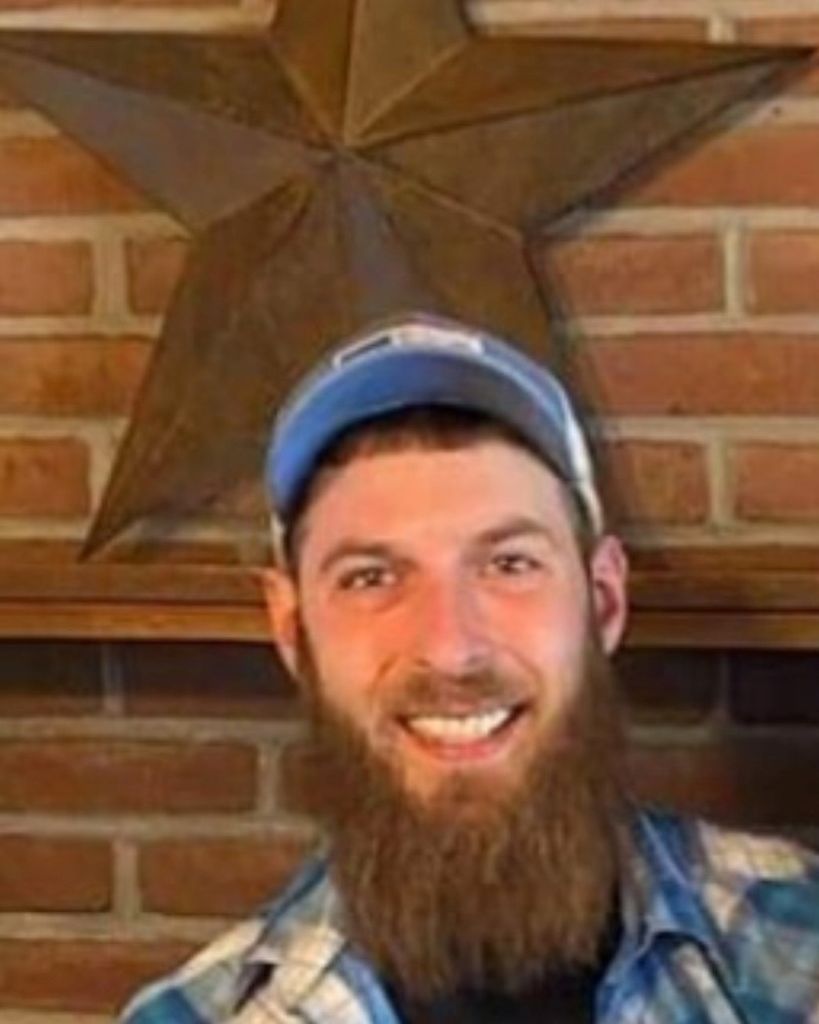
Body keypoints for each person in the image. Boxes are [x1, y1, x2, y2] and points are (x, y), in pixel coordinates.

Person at [120, 313, 819, 1023]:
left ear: (603, 601)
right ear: (292, 631)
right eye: (370, 577)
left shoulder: (797, 951)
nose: (450, 647)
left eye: (509, 564)